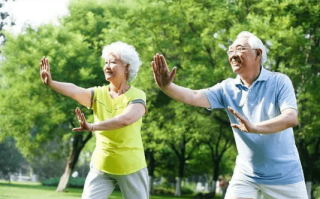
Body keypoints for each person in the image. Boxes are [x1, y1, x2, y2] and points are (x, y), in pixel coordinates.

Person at [151, 31, 308, 199]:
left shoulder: (280, 82)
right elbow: (195, 96)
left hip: (284, 176)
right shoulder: (227, 89)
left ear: (258, 53)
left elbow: (291, 118)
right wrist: (167, 87)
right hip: (247, 176)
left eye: (239, 49)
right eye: (230, 50)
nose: (233, 55)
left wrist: (254, 128)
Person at [40, 41, 149, 199]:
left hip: (131, 166)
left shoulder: (137, 96)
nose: (107, 66)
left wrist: (92, 126)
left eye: (113, 62)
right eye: (106, 62)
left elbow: (125, 119)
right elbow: (75, 91)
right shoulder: (98, 94)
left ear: (127, 67)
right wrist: (51, 83)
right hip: (102, 166)